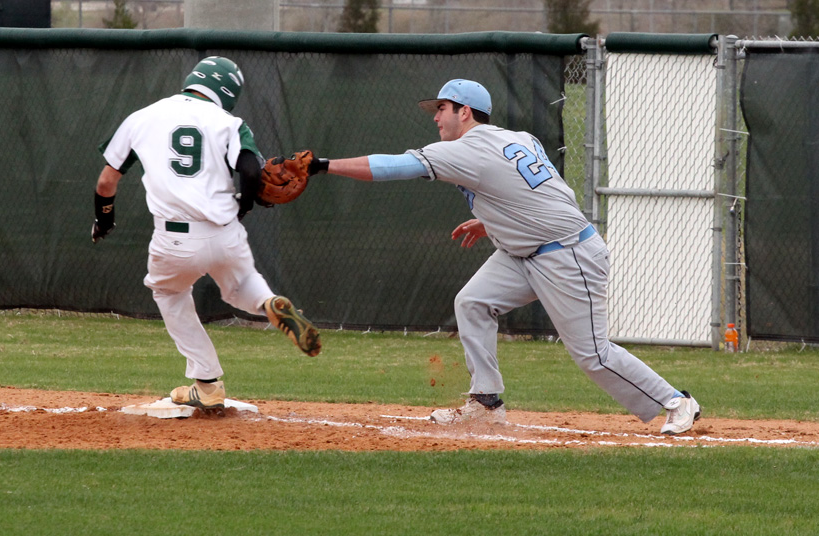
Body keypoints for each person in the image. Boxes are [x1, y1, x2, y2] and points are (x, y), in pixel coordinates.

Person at [306, 78, 700, 435]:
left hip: (566, 255)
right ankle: (486, 403)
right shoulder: (520, 137)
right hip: (527, 250)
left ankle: (677, 401)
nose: (436, 119)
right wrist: (490, 221)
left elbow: (396, 166)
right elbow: (540, 193)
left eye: (442, 109)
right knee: (473, 302)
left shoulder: (465, 150)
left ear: (465, 112)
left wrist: (322, 166)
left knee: (592, 355)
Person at [91, 56, 321, 413]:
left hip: (174, 238)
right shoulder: (230, 122)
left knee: (168, 291)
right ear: (227, 93)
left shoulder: (142, 116)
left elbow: (107, 181)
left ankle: (208, 383)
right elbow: (248, 170)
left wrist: (103, 221)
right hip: (224, 231)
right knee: (244, 283)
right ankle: (269, 304)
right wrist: (242, 207)